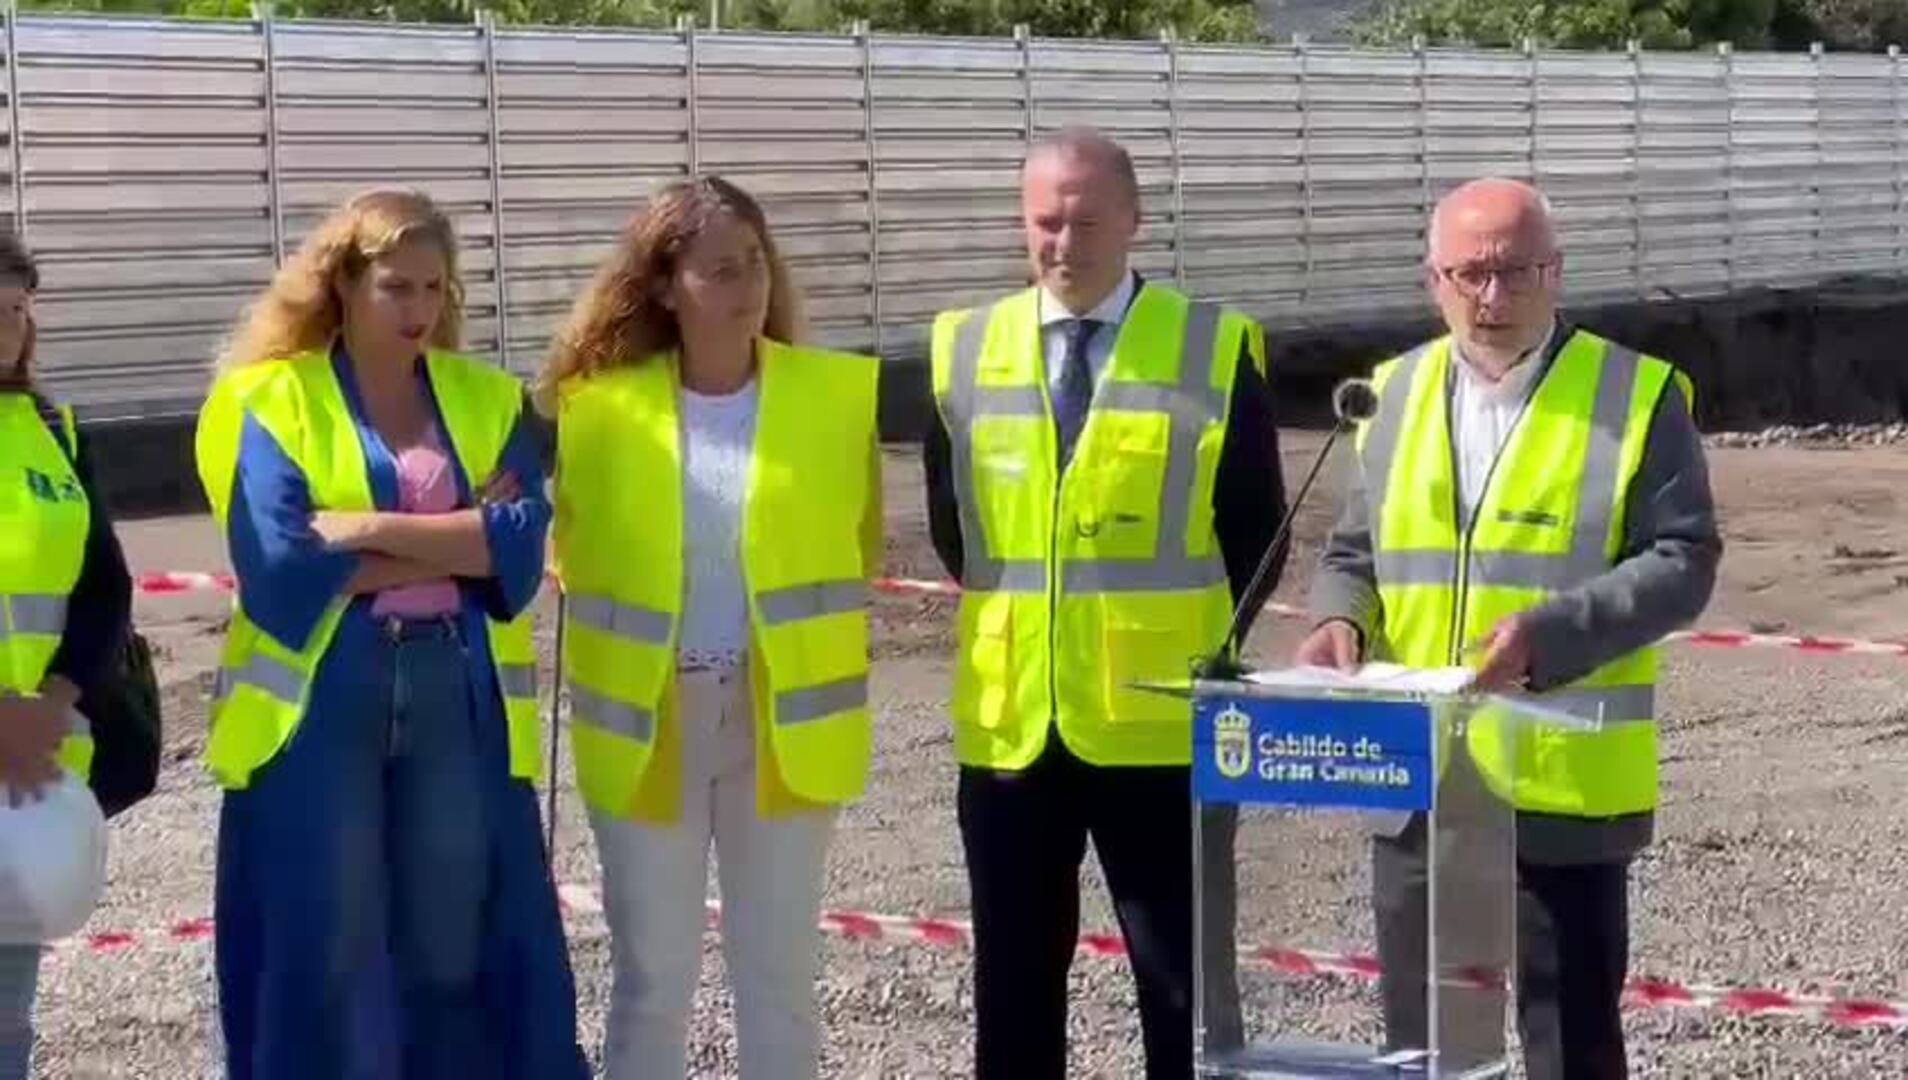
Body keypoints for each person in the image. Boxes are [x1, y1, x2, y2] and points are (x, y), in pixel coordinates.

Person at [1294, 177, 1722, 1080]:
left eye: (1516, 272)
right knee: (1422, 1047)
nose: (1492, 297)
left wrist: (1554, 636)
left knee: (1567, 1044)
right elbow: (1354, 553)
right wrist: (1340, 619)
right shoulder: (1389, 395)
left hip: (1561, 784)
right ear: (1433, 279)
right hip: (1420, 781)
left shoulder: (1637, 396)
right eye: (1470, 274)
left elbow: (1684, 561)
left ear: (1556, 273)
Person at [193, 188, 588, 1079]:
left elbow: (522, 561)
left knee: (453, 946)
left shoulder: (488, 400)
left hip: (458, 697)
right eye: (396, 288)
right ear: (342, 283)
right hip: (320, 705)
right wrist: (461, 543)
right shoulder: (267, 398)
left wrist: (365, 531)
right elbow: (284, 579)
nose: (418, 311)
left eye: (434, 291)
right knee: (325, 948)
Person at [922, 126, 1288, 1079]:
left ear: (1134, 222)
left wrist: (1183, 638)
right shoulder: (963, 349)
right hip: (1012, 732)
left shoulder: (1210, 346)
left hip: (1162, 729)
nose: (1064, 243)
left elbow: (1258, 533)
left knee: (1183, 993)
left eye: (1087, 221)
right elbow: (955, 531)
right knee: (1013, 991)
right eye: (1046, 221)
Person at [538, 175, 882, 1080]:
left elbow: (861, 545)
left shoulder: (835, 399)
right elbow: (568, 552)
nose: (747, 287)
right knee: (653, 984)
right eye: (720, 270)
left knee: (780, 983)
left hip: (785, 727)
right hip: (648, 728)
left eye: (756, 265)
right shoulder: (598, 411)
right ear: (663, 285)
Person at [0, 233, 131, 1079]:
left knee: (9, 1020)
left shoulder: (54, 428)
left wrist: (52, 698)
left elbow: (103, 592)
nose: (10, 327)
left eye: (18, 309)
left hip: (29, 770)